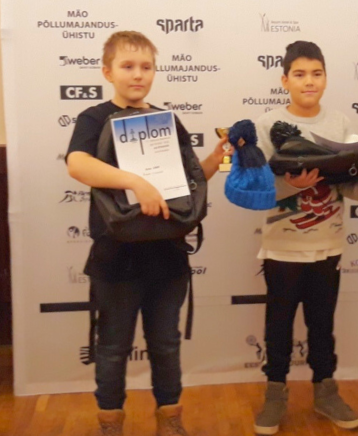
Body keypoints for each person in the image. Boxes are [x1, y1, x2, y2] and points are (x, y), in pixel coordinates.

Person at [65, 31, 230, 436]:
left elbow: (190, 181)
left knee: (166, 345)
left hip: (167, 255)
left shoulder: (167, 120)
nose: (138, 74)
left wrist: (215, 158)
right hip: (115, 256)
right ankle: (110, 423)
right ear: (108, 72)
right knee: (112, 347)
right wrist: (137, 183)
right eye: (127, 66)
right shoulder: (94, 118)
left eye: (146, 67)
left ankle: (170, 420)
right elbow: (77, 164)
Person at [252, 40, 358, 435]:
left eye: (316, 73)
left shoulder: (340, 124)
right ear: (284, 80)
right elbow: (256, 189)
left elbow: (350, 188)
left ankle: (325, 391)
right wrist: (291, 185)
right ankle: (275, 394)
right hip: (282, 248)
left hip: (328, 246)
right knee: (278, 325)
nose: (309, 81)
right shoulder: (266, 125)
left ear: (326, 79)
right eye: (299, 74)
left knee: (321, 324)